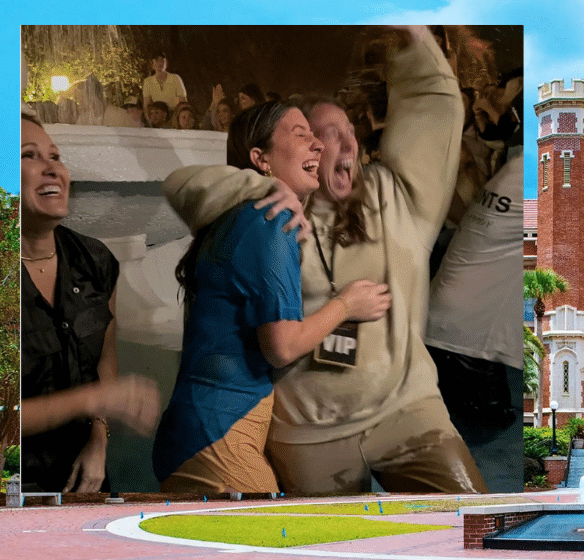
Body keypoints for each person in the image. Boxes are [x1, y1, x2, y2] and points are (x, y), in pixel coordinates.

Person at [165, 26, 486, 495]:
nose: (343, 144)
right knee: (329, 555)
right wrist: (262, 186)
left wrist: (411, 32)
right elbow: (181, 185)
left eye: (349, 132)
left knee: (471, 520)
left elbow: (432, 102)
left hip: (407, 411)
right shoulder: (274, 215)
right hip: (304, 433)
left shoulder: (395, 197)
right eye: (321, 134)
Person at [154, 101, 391, 494]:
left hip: (200, 428)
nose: (317, 145)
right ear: (260, 159)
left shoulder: (240, 214)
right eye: (301, 135)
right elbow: (281, 347)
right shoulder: (271, 219)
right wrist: (348, 304)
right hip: (219, 433)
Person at [20, 113, 161, 493]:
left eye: (55, 156)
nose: (52, 168)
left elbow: (104, 359)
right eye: (29, 156)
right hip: (14, 488)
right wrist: (94, 399)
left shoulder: (95, 261)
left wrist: (98, 438)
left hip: (84, 481)